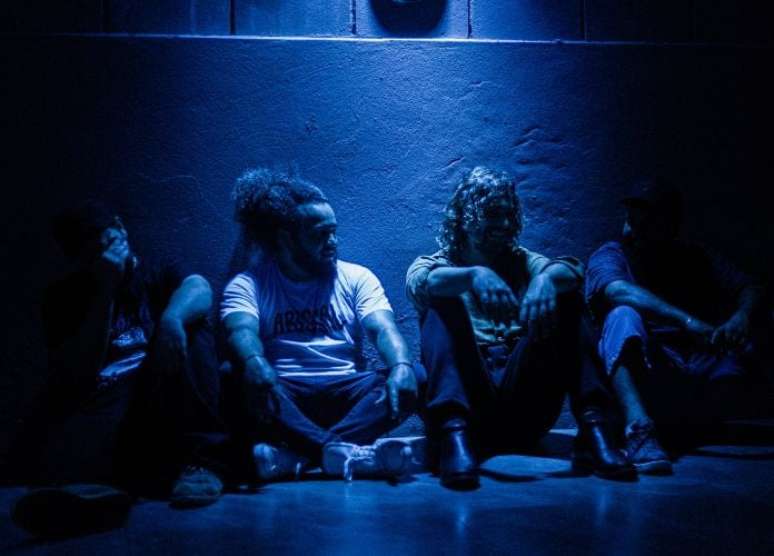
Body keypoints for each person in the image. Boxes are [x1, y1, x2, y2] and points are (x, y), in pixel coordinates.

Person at [406, 167, 632, 490]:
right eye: (492, 214)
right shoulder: (436, 263)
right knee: (440, 297)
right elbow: (421, 283)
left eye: (508, 215)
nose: (504, 224)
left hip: (524, 406)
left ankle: (595, 427)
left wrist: (546, 279)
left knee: (566, 295)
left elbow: (573, 271)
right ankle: (452, 437)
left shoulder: (522, 261)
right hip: (470, 410)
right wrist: (473, 276)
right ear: (465, 218)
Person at [11, 201, 226, 538]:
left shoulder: (156, 272)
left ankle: (201, 463)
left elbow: (200, 288)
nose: (106, 256)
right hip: (105, 406)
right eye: (92, 254)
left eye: (108, 243)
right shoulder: (63, 297)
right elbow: (78, 373)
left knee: (194, 328)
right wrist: (104, 292)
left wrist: (171, 319)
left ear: (121, 230)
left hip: (153, 394)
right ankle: (101, 495)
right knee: (66, 441)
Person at [221, 168, 423, 482]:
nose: (332, 242)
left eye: (334, 232)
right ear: (286, 238)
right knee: (232, 375)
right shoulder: (249, 284)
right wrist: (254, 362)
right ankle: (344, 453)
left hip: (348, 396)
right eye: (320, 234)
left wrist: (401, 366)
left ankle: (299, 455)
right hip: (284, 397)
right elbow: (241, 330)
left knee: (416, 375)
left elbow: (383, 329)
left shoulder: (356, 277)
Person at [585, 177, 767, 474]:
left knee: (753, 336)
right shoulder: (612, 254)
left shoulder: (693, 256)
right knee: (622, 316)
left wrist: (741, 318)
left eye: (646, 224)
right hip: (652, 369)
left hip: (694, 369)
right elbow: (617, 290)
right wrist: (688, 322)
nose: (631, 230)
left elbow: (750, 287)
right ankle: (638, 429)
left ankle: (697, 421)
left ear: (669, 226)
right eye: (630, 221)